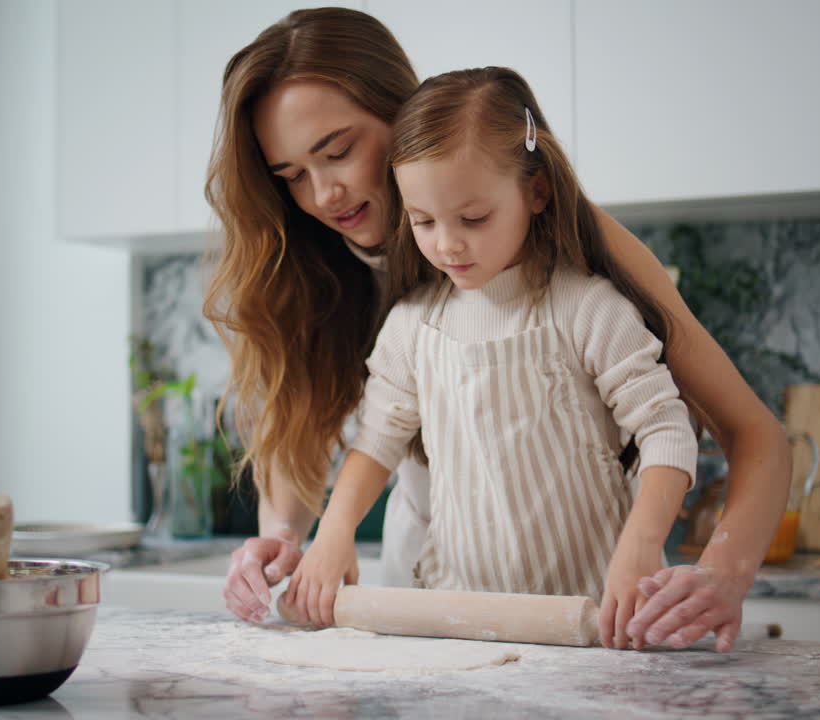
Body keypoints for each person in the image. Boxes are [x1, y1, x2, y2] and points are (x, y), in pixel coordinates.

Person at [204, 7, 789, 653]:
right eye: (291, 178)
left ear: (405, 115)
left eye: (338, 151)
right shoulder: (310, 269)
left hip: (584, 602)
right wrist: (283, 546)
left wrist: (723, 574)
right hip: (426, 605)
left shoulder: (566, 247)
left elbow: (753, 433)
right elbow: (307, 468)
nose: (324, 195)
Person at [283, 64, 700, 647]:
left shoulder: (587, 309)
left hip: (598, 620)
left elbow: (666, 430)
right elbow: (375, 442)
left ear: (536, 190)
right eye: (423, 221)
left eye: (473, 218)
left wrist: (642, 544)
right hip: (457, 626)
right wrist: (332, 536)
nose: (447, 243)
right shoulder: (411, 328)